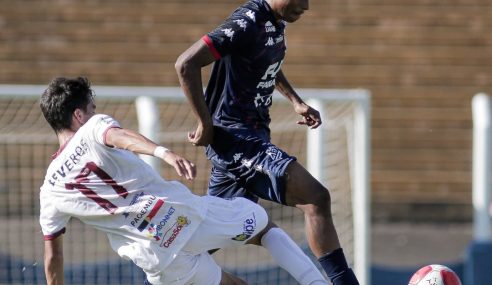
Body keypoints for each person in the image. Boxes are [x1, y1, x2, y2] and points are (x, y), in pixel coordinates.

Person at [175, 0, 360, 284]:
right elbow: (186, 63)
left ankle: (159, 274)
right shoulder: (246, 21)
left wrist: (295, 101)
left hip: (252, 137)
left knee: (207, 237)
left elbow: (267, 60)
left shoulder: (276, 22)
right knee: (316, 197)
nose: (307, 6)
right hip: (238, 141)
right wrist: (205, 123)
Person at [39, 77, 273, 285]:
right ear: (78, 116)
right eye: (91, 108)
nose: (94, 113)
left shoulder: (49, 190)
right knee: (265, 224)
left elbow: (53, 257)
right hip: (181, 218)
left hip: (155, 258)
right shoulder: (91, 130)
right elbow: (120, 137)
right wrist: (163, 153)